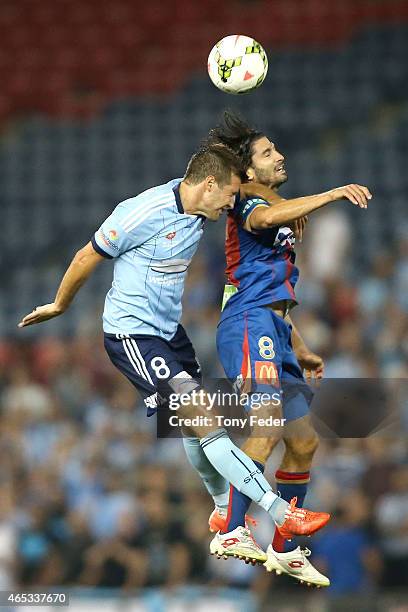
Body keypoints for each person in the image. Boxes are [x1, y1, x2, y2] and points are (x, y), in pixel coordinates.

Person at [18, 143, 331, 551]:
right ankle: (277, 512)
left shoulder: (203, 207)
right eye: (229, 194)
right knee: (206, 418)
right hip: (132, 335)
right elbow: (85, 257)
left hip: (169, 333)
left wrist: (280, 201)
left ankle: (223, 511)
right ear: (209, 185)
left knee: (191, 425)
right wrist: (60, 305)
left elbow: (244, 187)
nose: (231, 204)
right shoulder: (142, 212)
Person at [181, 112, 371, 586]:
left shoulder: (277, 206)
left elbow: (275, 289)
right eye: (267, 153)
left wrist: (300, 345)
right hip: (247, 324)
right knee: (266, 420)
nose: (279, 156)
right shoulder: (245, 200)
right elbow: (264, 220)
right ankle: (233, 528)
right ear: (246, 171)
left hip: (272, 328)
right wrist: (329, 194)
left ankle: (285, 548)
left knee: (304, 442)